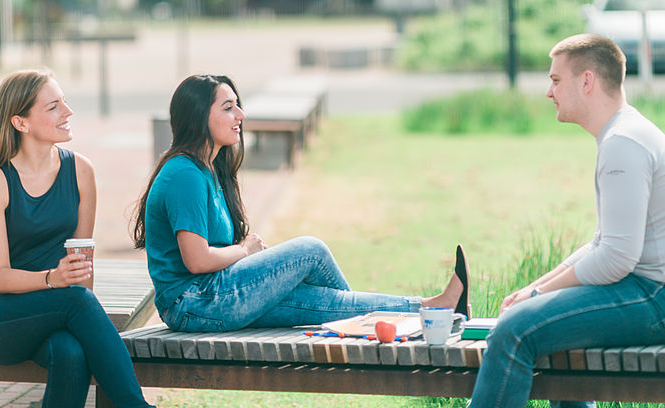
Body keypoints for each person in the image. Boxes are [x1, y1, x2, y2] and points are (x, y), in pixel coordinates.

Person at [132, 74, 471, 332]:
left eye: (237, 104)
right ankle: (362, 331)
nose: (241, 114)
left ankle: (434, 309)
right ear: (197, 117)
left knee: (321, 303)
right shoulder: (183, 174)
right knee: (311, 250)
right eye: (227, 107)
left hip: (214, 295)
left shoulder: (209, 169)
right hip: (194, 303)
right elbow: (196, 259)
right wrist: (247, 250)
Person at [468, 33, 665, 408]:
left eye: (556, 80)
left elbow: (617, 258)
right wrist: (535, 287)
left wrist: (539, 296)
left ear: (586, 81)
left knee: (514, 330)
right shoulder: (623, 133)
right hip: (647, 290)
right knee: (534, 320)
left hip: (655, 298)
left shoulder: (624, 143)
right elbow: (601, 243)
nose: (548, 92)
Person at [0, 69, 152, 408]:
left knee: (71, 352)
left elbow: (82, 268)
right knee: (76, 300)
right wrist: (54, 280)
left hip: (57, 308)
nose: (68, 112)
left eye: (65, 102)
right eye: (53, 106)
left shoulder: (81, 171)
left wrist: (69, 291)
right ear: (20, 122)